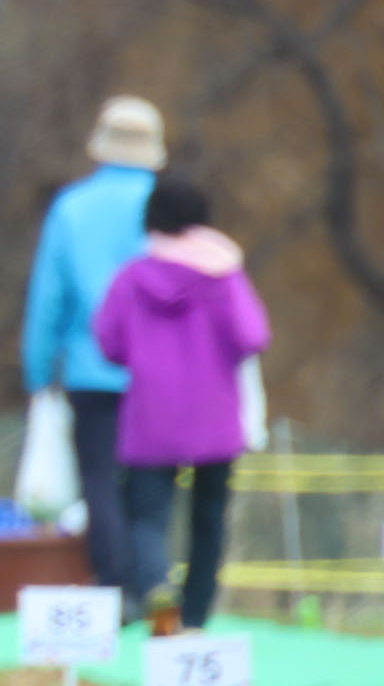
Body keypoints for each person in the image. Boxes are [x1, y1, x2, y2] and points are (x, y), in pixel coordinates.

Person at [90, 171, 268, 637]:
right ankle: (196, 615)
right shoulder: (222, 276)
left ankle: (156, 588)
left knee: (147, 517)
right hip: (215, 418)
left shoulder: (131, 278)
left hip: (151, 416)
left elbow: (108, 342)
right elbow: (253, 335)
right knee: (209, 520)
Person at [21, 95, 165, 594]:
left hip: (90, 368)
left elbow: (49, 297)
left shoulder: (72, 207)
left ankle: (113, 583)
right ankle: (152, 588)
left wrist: (39, 372)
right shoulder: (168, 205)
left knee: (99, 482)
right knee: (150, 489)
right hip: (161, 373)